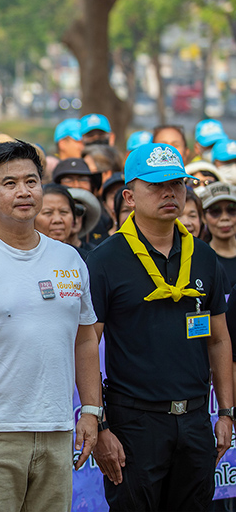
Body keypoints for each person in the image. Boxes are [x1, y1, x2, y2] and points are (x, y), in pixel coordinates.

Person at [0, 140, 101, 512]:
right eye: (10, 183)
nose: (24, 192)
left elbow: (85, 341)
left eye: (32, 181)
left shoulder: (70, 258)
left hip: (58, 431)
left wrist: (91, 411)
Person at [87, 142, 235, 511]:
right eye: (155, 185)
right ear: (129, 196)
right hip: (135, 421)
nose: (169, 193)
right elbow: (87, 344)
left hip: (197, 419)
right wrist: (101, 425)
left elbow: (218, 340)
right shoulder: (105, 259)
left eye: (177, 183)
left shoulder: (203, 255)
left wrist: (227, 413)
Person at [196, 182, 236, 288]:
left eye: (232, 209)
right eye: (215, 211)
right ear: (203, 217)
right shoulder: (199, 259)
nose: (224, 217)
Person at [35, 183, 78, 249]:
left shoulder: (81, 258)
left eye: (64, 212)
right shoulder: (21, 258)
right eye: (48, 213)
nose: (57, 220)